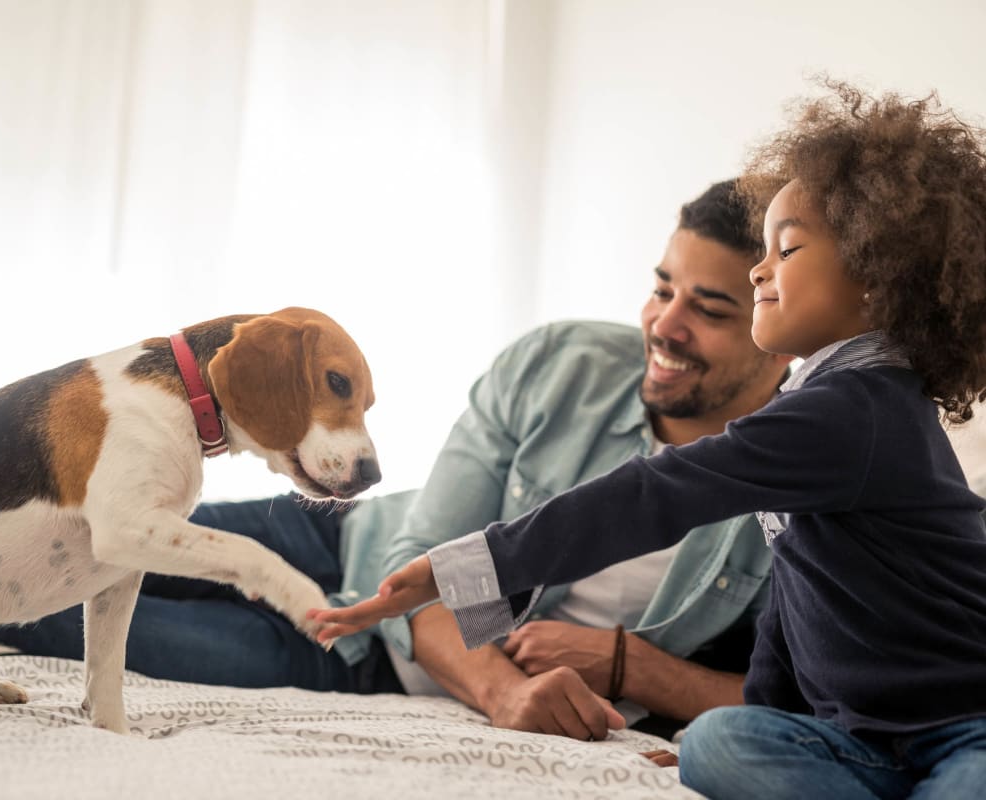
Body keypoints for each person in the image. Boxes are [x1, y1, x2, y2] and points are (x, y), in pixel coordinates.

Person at [313, 81, 986, 799]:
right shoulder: (817, 402)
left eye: (785, 251)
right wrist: (763, 715)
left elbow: (655, 493)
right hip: (863, 740)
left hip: (964, 723)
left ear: (877, 282)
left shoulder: (859, 410)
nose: (761, 269)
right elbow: (797, 601)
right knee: (718, 743)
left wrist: (471, 570)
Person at [0, 179, 793, 741]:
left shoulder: (806, 479)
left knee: (36, 611)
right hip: (342, 539)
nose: (664, 325)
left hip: (359, 659)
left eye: (710, 309)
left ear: (773, 316)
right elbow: (427, 557)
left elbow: (807, 699)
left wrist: (635, 668)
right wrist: (505, 691)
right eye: (662, 288)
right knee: (61, 544)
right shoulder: (560, 363)